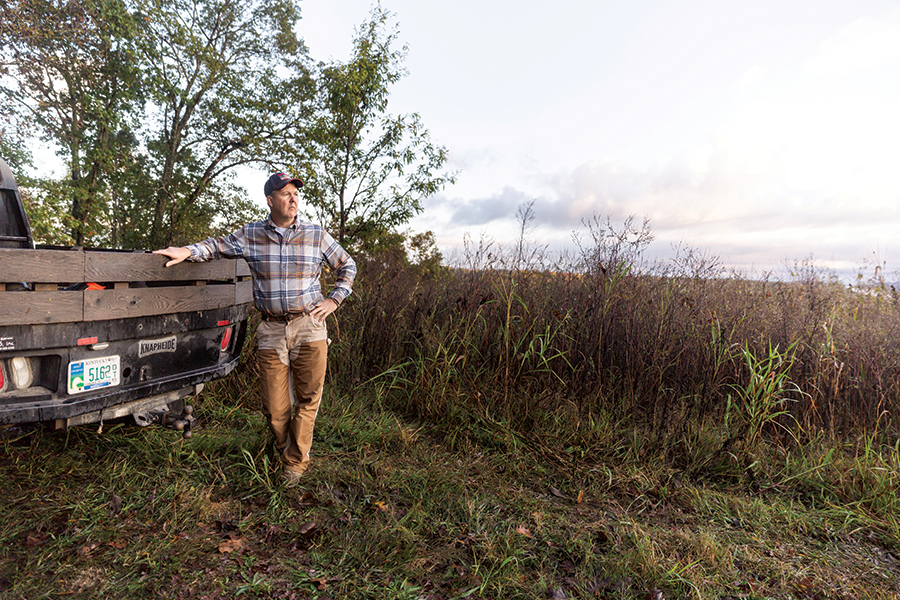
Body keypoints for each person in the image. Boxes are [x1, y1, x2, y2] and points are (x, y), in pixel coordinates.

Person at [154, 172, 356, 484]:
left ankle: (295, 464)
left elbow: (347, 265)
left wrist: (334, 300)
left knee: (307, 400)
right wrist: (186, 251)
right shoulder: (251, 235)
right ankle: (284, 447)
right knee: (275, 407)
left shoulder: (315, 235)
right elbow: (216, 246)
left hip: (309, 326)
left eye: (295, 194)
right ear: (270, 200)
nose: (293, 199)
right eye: (286, 194)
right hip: (272, 330)